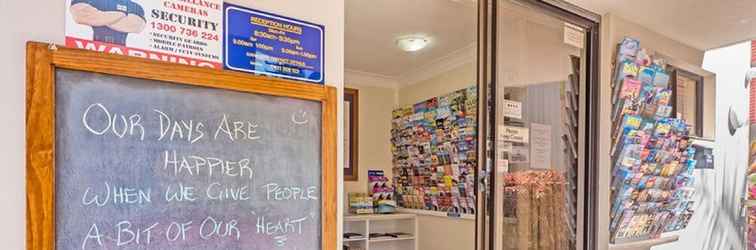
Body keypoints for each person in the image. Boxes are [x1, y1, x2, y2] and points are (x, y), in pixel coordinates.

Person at [69, 0, 146, 45]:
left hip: (123, 55)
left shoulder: (135, 6)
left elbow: (137, 26)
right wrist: (122, 14)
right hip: (94, 49)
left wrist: (100, 15)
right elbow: (79, 16)